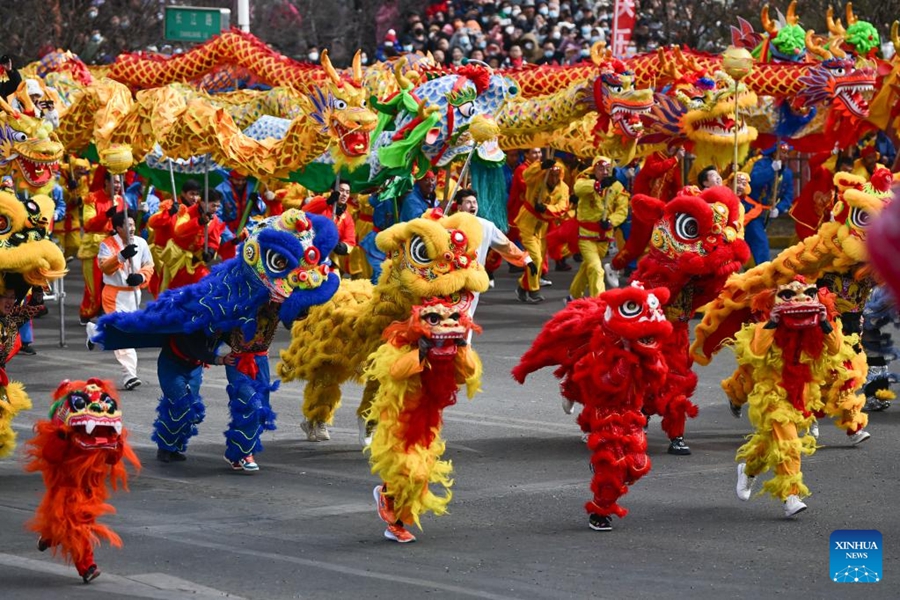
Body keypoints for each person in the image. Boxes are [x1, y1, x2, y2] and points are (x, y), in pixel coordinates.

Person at [455, 188, 535, 325]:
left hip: (474, 279)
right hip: (452, 279)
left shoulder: (486, 226)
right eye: (468, 202)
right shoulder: (450, 224)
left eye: (474, 202)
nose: (473, 205)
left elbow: (505, 245)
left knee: (466, 316)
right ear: (459, 207)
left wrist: (526, 260)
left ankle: (464, 345)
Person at [96, 210, 153, 390]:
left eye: (132, 224)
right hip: (114, 294)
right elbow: (105, 268)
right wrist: (121, 255)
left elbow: (149, 265)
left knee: (129, 331)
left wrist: (141, 278)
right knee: (123, 332)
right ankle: (130, 375)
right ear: (118, 228)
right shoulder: (107, 245)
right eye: (127, 225)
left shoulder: (141, 242)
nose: (132, 227)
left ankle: (94, 331)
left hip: (133, 294)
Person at [567, 156, 629, 301]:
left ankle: (574, 296)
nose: (605, 172)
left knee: (587, 267)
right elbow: (578, 189)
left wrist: (610, 221)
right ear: (594, 169)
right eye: (601, 168)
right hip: (586, 236)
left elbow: (622, 210)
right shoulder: (584, 181)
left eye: (608, 169)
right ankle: (599, 303)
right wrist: (598, 185)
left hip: (604, 237)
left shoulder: (617, 187)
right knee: (596, 269)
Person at [514, 158, 569, 303]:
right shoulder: (538, 178)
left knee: (539, 259)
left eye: (557, 175)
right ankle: (534, 290)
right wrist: (540, 166)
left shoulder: (564, 188)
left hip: (544, 226)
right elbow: (526, 175)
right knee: (535, 258)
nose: (554, 178)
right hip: (528, 221)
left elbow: (563, 207)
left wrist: (547, 208)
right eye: (551, 174)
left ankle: (522, 285)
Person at [78, 169, 122, 325]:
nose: (118, 185)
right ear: (106, 182)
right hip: (94, 247)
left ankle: (106, 311)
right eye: (115, 181)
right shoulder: (92, 198)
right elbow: (88, 224)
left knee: (110, 282)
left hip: (113, 247)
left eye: (119, 181)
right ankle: (87, 311)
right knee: (94, 284)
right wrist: (106, 216)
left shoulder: (121, 200)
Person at [166, 190, 231, 289]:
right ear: (203, 202)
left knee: (207, 285)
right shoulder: (187, 212)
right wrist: (199, 222)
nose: (216, 209)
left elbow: (213, 239)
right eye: (213, 205)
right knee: (175, 291)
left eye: (218, 206)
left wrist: (210, 252)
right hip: (178, 259)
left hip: (196, 261)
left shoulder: (215, 219)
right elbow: (179, 231)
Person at [745, 143, 794, 266]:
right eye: (782, 152)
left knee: (752, 240)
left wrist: (779, 208)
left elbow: (788, 196)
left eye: (786, 153)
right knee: (760, 241)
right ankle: (764, 270)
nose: (785, 155)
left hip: (767, 214)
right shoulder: (761, 164)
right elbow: (754, 181)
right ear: (774, 152)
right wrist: (771, 169)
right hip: (752, 211)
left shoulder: (787, 173)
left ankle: (750, 268)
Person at [303, 182, 355, 275]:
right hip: (309, 253)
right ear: (332, 191)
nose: (344, 194)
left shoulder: (347, 217)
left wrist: (342, 247)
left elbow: (350, 240)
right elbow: (305, 212)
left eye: (347, 192)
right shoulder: (320, 202)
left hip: (330, 259)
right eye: (341, 190)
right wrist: (327, 202)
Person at [215, 170, 262, 259]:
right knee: (230, 262)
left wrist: (256, 201)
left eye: (243, 180)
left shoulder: (252, 187)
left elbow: (260, 211)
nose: (240, 183)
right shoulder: (220, 190)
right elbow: (217, 217)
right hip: (229, 231)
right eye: (237, 180)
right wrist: (230, 237)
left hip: (248, 229)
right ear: (231, 178)